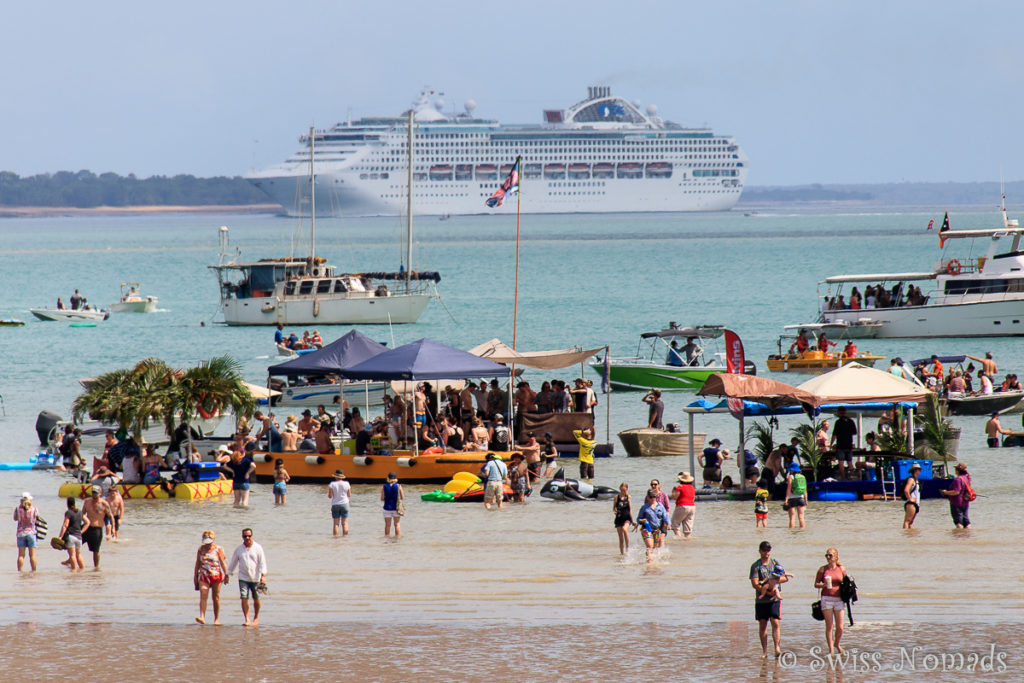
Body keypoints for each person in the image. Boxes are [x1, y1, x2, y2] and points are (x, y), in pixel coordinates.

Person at [750, 540, 787, 658]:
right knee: (763, 624)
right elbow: (755, 584)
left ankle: (777, 648)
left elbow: (784, 578)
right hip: (762, 600)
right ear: (760, 551)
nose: (767, 552)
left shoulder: (775, 563)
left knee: (775, 622)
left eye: (768, 550)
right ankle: (764, 651)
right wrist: (766, 591)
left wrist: (774, 584)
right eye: (764, 550)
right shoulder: (756, 566)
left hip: (774, 600)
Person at [226, 528, 268, 627]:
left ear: (252, 536)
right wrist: (227, 574)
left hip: (256, 578)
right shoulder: (239, 549)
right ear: (242, 537)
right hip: (243, 577)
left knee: (256, 598)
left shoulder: (258, 548)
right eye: (245, 536)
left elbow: (262, 563)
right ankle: (247, 619)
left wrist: (263, 575)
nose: (247, 538)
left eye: (249, 536)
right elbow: (233, 562)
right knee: (244, 597)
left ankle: (256, 618)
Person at [814, 548, 849, 655]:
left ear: (836, 557)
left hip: (839, 599)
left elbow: (846, 582)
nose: (828, 557)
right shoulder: (822, 569)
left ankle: (837, 644)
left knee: (840, 627)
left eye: (830, 555)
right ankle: (831, 649)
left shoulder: (841, 568)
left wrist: (848, 589)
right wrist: (823, 585)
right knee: (829, 625)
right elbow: (816, 584)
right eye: (827, 555)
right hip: (826, 598)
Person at [193, 530, 228, 625]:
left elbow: (222, 562)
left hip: (216, 575)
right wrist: (195, 576)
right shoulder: (200, 549)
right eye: (206, 542)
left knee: (216, 597)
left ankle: (216, 619)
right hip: (204, 575)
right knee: (203, 595)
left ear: (213, 540)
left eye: (209, 542)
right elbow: (197, 563)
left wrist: (227, 574)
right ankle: (202, 617)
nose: (207, 545)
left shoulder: (218, 549)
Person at [635, 490, 668, 563]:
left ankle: (649, 561)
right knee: (650, 546)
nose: (653, 499)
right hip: (646, 529)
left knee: (654, 548)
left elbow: (665, 516)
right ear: (648, 497)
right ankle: (650, 563)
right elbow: (638, 519)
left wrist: (668, 524)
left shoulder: (660, 506)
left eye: (654, 497)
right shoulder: (644, 507)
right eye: (651, 497)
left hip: (657, 530)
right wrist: (641, 520)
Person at [82, 486, 112, 568]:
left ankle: (96, 567)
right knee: (75, 543)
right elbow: (82, 514)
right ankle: (71, 561)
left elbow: (110, 516)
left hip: (97, 529)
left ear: (100, 493)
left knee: (96, 550)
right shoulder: (87, 501)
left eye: (96, 493)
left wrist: (111, 529)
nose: (94, 494)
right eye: (93, 492)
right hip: (87, 527)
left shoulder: (104, 503)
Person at [940, 462, 974, 529]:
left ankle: (959, 536)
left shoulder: (958, 479)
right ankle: (968, 535)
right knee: (966, 520)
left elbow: (956, 492)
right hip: (965, 501)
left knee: (958, 521)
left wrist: (946, 492)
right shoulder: (966, 478)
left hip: (956, 502)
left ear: (957, 471)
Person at [13, 492, 39, 572]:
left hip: (20, 533)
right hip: (31, 533)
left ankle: (20, 571)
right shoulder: (34, 509)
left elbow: (15, 518)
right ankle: (34, 571)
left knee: (21, 555)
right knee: (32, 555)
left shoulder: (17, 509)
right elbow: (37, 520)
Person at [830, 407, 857, 480]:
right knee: (849, 461)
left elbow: (834, 434)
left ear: (839, 412)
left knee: (841, 462)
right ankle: (852, 477)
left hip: (840, 445)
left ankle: (843, 478)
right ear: (845, 412)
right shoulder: (851, 421)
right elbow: (854, 432)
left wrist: (831, 444)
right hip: (849, 444)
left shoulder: (838, 422)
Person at [59, 497, 85, 570]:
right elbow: (87, 522)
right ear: (74, 503)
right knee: (79, 555)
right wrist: (81, 531)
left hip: (71, 537)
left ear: (67, 504)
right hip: (79, 537)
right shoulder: (80, 512)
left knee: (72, 555)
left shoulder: (69, 512)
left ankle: (74, 571)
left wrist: (60, 537)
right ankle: (82, 570)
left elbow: (65, 525)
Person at [670, 471, 696, 539]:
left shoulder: (680, 487)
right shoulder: (692, 488)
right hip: (692, 507)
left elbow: (674, 497)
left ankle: (679, 539)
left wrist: (673, 491)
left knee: (675, 524)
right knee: (687, 528)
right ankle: (687, 541)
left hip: (682, 506)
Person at [784, 461, 807, 529]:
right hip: (801, 498)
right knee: (801, 517)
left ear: (791, 470)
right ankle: (802, 531)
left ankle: (792, 534)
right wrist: (806, 501)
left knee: (792, 518)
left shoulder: (790, 477)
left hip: (792, 499)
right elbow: (805, 490)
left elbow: (789, 488)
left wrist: (786, 499)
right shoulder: (803, 477)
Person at [612, 483, 634, 555]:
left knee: (625, 529)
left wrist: (632, 520)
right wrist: (615, 511)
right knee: (621, 538)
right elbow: (614, 508)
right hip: (619, 518)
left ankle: (628, 549)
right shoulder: (616, 497)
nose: (623, 491)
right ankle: (622, 553)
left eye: (624, 489)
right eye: (621, 489)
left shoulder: (628, 497)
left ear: (626, 489)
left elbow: (630, 509)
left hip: (627, 517)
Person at [328, 469, 351, 537]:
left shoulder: (332, 484)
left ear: (336, 476)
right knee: (345, 523)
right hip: (345, 504)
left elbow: (330, 496)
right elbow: (349, 495)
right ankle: (345, 538)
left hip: (335, 504)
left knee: (336, 524)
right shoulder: (347, 483)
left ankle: (335, 539)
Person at [381, 472, 404, 537]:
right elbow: (402, 497)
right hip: (396, 508)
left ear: (388, 478)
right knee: (397, 524)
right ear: (395, 478)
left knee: (387, 525)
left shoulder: (384, 486)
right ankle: (397, 538)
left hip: (387, 508)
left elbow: (382, 498)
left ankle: (387, 538)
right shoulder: (398, 486)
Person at [902, 463, 921, 528]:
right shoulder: (911, 479)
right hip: (911, 503)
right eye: (919, 470)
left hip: (916, 503)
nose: (920, 471)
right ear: (916, 470)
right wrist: (910, 498)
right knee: (907, 521)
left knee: (910, 522)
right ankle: (905, 535)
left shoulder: (916, 480)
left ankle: (910, 536)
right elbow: (906, 490)